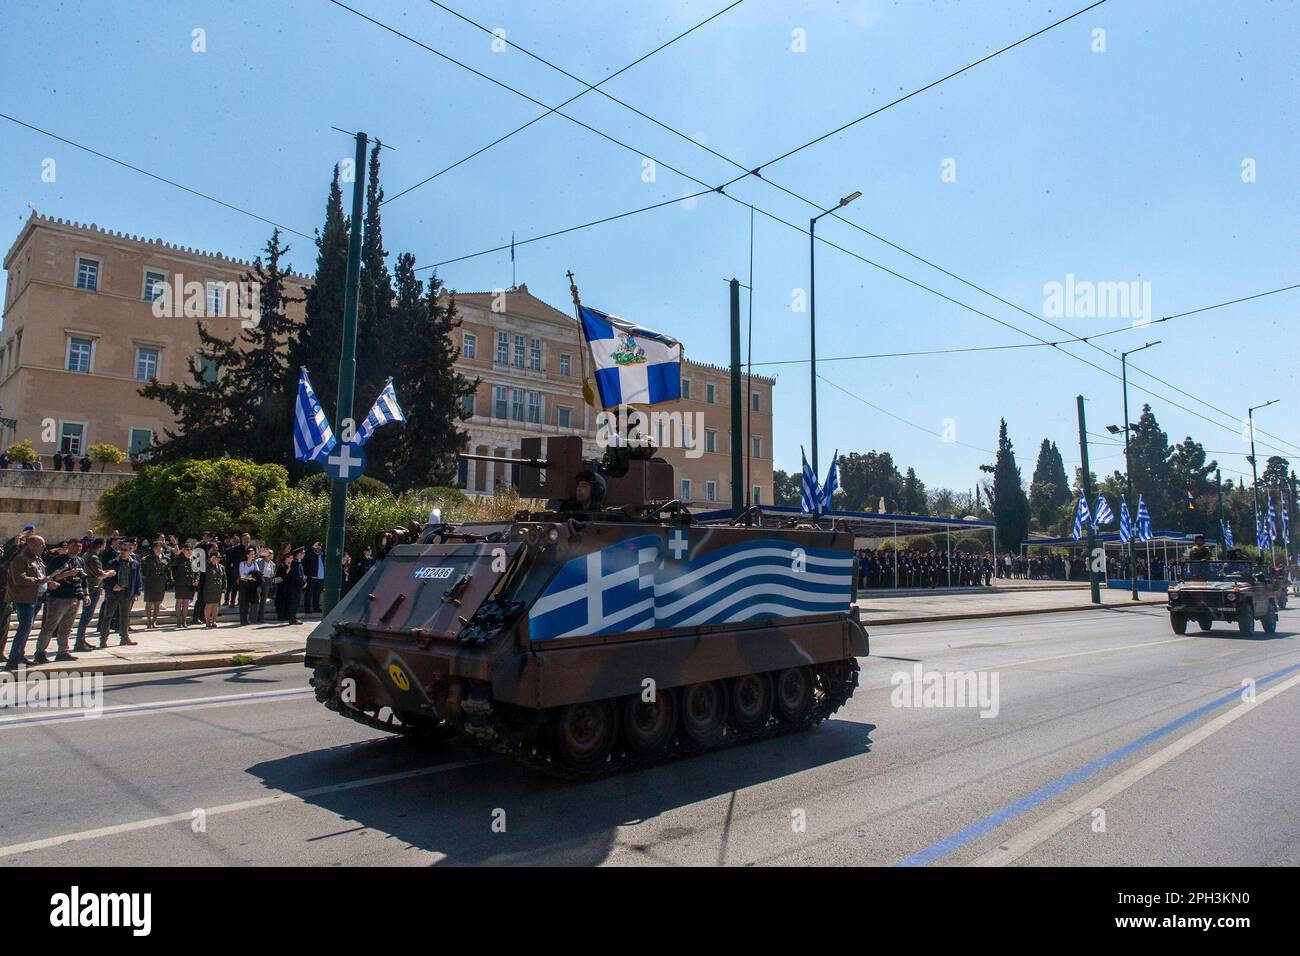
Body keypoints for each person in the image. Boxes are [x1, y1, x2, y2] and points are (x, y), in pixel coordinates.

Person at [34, 539, 88, 664]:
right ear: (68, 546)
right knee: (50, 626)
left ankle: (63, 651)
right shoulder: (58, 560)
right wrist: (68, 573)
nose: (78, 549)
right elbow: (51, 577)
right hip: (58, 597)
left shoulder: (80, 560)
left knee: (67, 627)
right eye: (75, 546)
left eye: (79, 546)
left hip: (74, 596)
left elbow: (84, 579)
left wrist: (86, 594)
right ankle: (40, 652)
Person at [4, 534, 53, 669]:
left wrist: (49, 583)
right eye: (41, 544)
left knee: (27, 628)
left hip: (36, 597)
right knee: (24, 628)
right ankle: (13, 660)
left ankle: (20, 656)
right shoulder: (20, 559)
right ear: (31, 545)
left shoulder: (36, 558)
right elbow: (19, 579)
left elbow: (41, 575)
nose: (44, 547)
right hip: (24, 598)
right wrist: (39, 581)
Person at [99, 539, 141, 647]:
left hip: (127, 593)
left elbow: (137, 579)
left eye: (125, 550)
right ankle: (103, 639)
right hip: (113, 593)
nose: (123, 552)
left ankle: (124, 638)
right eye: (121, 549)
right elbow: (106, 577)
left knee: (125, 616)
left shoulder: (134, 563)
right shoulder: (113, 562)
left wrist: (136, 592)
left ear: (130, 550)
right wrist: (113, 586)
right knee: (108, 616)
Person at [73, 537, 110, 653]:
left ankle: (81, 640)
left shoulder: (86, 555)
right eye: (104, 545)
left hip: (89, 588)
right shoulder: (93, 558)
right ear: (101, 546)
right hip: (92, 589)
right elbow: (100, 575)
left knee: (86, 615)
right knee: (86, 616)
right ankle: (79, 642)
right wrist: (110, 573)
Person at [141, 539, 171, 628]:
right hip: (150, 582)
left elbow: (168, 570)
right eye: (156, 548)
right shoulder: (148, 558)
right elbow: (143, 569)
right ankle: (149, 621)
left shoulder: (165, 558)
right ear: (153, 549)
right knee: (149, 603)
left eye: (160, 548)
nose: (158, 549)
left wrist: (169, 580)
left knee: (158, 603)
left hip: (160, 583)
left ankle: (154, 621)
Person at [170, 542, 198, 628]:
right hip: (180, 583)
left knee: (186, 603)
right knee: (179, 602)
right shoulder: (178, 559)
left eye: (190, 550)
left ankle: (184, 621)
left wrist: (196, 580)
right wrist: (173, 580)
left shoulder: (193, 559)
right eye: (187, 550)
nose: (189, 551)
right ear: (183, 550)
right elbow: (172, 570)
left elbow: (196, 571)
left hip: (189, 584)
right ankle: (178, 621)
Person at [237, 546, 261, 626]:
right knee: (243, 603)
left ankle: (247, 619)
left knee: (249, 602)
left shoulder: (254, 563)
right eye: (251, 554)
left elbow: (257, 573)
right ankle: (243, 620)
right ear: (247, 555)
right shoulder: (242, 563)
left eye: (254, 554)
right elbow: (242, 575)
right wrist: (251, 576)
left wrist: (251, 576)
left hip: (251, 585)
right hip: (244, 585)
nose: (253, 555)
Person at [202, 550, 226, 627]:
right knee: (209, 605)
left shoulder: (221, 567)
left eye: (219, 558)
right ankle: (207, 621)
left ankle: (214, 621)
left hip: (218, 588)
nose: (218, 559)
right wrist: (209, 560)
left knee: (216, 605)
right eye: (216, 557)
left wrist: (224, 587)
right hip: (209, 588)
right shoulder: (207, 566)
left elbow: (224, 578)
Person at [286, 545, 306, 625]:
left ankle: (293, 618)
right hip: (295, 586)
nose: (304, 555)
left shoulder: (299, 562)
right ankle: (292, 619)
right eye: (302, 553)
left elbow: (301, 574)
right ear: (298, 554)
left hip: (298, 586)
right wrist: (302, 581)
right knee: (295, 602)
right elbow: (296, 576)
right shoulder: (295, 562)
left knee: (296, 602)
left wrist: (304, 581)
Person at [304, 541, 326, 613]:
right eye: (318, 547)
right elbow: (306, 556)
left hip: (321, 577)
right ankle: (307, 608)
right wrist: (312, 547)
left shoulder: (322, 555)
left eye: (320, 547)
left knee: (317, 593)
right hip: (312, 577)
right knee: (309, 593)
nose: (319, 548)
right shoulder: (311, 554)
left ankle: (316, 607)